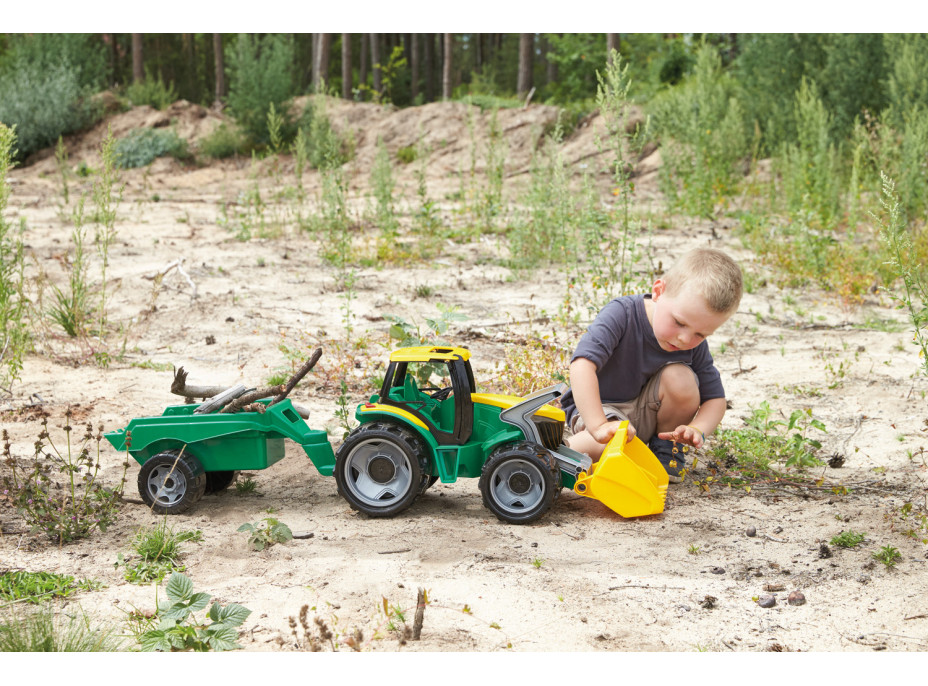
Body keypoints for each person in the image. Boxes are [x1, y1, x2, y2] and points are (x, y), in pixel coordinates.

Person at [560, 247, 743, 482]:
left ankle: (665, 453)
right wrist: (598, 425)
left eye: (701, 334)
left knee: (681, 377)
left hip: (649, 416)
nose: (685, 339)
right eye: (679, 322)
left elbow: (715, 400)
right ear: (658, 291)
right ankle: (550, 460)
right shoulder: (622, 314)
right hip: (602, 410)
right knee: (597, 446)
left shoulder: (692, 344)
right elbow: (582, 365)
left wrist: (697, 429)